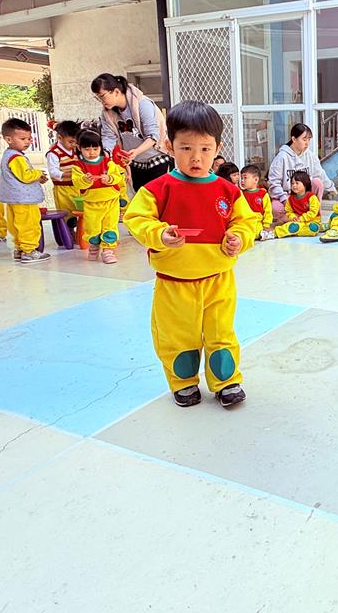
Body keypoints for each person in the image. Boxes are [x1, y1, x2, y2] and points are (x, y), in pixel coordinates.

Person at [125, 101, 260, 408]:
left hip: (218, 280)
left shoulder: (228, 191)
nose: (196, 157)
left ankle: (226, 381)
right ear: (169, 146)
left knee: (220, 332)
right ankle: (184, 382)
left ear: (218, 148)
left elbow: (247, 221)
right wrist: (159, 234)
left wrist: (239, 238)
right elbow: (136, 219)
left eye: (205, 149)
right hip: (174, 283)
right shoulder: (157, 189)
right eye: (186, 148)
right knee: (178, 335)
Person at [93, 73, 170, 191]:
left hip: (156, 158)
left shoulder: (143, 104)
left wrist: (136, 151)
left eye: (102, 96)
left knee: (156, 196)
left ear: (116, 92)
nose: (101, 101)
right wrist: (105, 153)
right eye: (97, 98)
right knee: (140, 197)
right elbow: (108, 136)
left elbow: (153, 136)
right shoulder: (107, 113)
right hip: (135, 161)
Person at [0, 118, 51, 264]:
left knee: (16, 225)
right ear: (8, 139)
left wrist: (36, 178)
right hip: (24, 199)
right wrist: (38, 173)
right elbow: (26, 176)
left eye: (29, 138)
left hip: (14, 199)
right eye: (22, 139)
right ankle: (29, 251)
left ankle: (20, 249)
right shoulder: (16, 158)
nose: (27, 142)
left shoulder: (8, 155)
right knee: (29, 224)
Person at [71, 130, 126, 264]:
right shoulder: (78, 166)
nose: (91, 152)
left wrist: (110, 178)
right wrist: (85, 179)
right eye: (87, 149)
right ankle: (94, 245)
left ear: (100, 147)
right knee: (92, 228)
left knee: (110, 226)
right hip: (92, 203)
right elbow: (77, 182)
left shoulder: (108, 162)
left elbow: (118, 177)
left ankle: (108, 250)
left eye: (95, 149)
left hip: (111, 201)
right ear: (79, 148)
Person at [267, 123, 335, 222]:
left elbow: (320, 174)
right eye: (304, 139)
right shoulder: (281, 157)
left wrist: (331, 188)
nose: (307, 143)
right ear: (294, 139)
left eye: (309, 139)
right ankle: (294, 218)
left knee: (317, 182)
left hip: (305, 197)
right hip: (288, 197)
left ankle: (314, 215)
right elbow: (274, 183)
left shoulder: (310, 156)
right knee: (275, 208)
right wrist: (284, 199)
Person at [46, 120, 82, 228]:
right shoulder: (54, 153)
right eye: (71, 142)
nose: (74, 144)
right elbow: (53, 172)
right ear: (60, 138)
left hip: (77, 187)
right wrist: (70, 175)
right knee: (67, 215)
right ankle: (68, 233)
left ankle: (80, 233)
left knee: (80, 213)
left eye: (76, 142)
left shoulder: (76, 150)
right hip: (63, 190)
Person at [273, 171, 322, 238]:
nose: (294, 185)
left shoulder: (312, 197)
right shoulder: (290, 199)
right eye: (292, 183)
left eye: (297, 183)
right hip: (297, 221)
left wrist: (302, 218)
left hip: (311, 221)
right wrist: (293, 217)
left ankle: (296, 230)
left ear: (305, 184)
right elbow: (288, 211)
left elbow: (313, 212)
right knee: (291, 226)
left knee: (313, 229)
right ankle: (275, 233)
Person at [240, 164, 274, 240]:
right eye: (241, 178)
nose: (242, 180)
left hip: (257, 222)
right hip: (245, 222)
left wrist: (266, 224)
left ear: (255, 180)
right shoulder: (241, 194)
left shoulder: (263, 194)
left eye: (245, 178)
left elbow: (268, 211)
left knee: (256, 232)